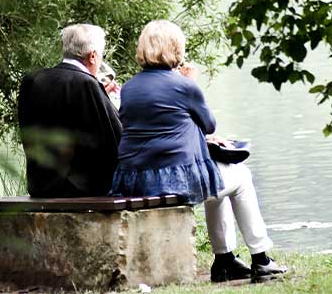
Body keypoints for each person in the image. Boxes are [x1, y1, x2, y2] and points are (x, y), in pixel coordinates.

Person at [111, 20, 287, 283]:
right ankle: (261, 259)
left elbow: (162, 124)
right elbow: (209, 123)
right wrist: (192, 83)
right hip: (172, 181)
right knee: (240, 177)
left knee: (219, 182)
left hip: (136, 180)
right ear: (175, 49)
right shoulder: (183, 85)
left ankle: (225, 260)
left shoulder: (130, 88)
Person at [18, 23, 122, 198]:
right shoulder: (87, 84)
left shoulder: (32, 80)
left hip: (39, 185)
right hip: (80, 188)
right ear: (93, 56)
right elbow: (114, 137)